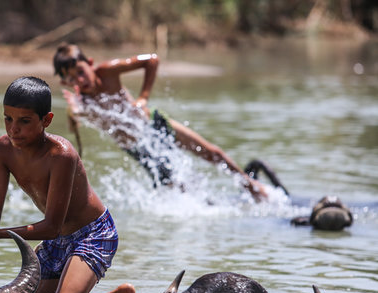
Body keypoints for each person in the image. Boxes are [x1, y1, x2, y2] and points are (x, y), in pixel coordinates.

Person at [0, 76, 135, 293]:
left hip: (93, 234)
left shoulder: (61, 155)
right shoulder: (2, 149)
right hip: (58, 239)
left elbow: (51, 227)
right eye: (8, 119)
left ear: (46, 120)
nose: (13, 128)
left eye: (24, 121)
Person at [52, 43, 267, 200]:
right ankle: (209, 206)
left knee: (212, 152)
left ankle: (252, 187)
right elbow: (76, 123)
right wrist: (75, 111)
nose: (80, 80)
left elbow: (152, 60)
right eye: (72, 79)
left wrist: (143, 96)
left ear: (90, 63)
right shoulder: (81, 102)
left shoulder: (108, 71)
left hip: (153, 122)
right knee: (179, 188)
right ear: (65, 82)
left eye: (81, 72)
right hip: (138, 148)